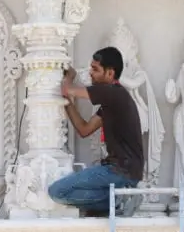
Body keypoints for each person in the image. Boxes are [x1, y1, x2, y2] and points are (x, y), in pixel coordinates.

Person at [47, 46, 145, 217]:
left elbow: (68, 89)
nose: (91, 73)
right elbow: (84, 129)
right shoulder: (112, 101)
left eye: (95, 69)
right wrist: (67, 101)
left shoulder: (113, 92)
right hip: (122, 172)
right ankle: (118, 200)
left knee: (57, 191)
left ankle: (118, 201)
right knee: (70, 197)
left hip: (120, 170)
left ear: (110, 73)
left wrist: (70, 76)